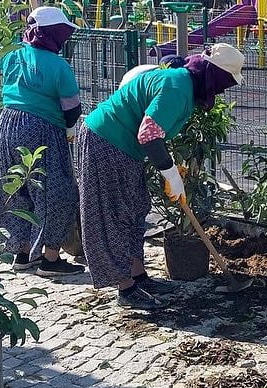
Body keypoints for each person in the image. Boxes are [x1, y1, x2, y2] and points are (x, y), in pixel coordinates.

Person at [75, 43, 245, 310]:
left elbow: (154, 133)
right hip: (105, 142)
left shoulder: (183, 86)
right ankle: (126, 288)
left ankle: (138, 276)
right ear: (214, 76)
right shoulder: (177, 88)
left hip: (124, 147)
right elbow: (148, 135)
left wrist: (170, 168)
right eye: (226, 83)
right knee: (114, 213)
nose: (223, 91)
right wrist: (170, 173)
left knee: (135, 208)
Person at [0, 6, 85, 277]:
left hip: (7, 124)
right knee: (55, 191)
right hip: (42, 129)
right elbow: (72, 110)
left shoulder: (13, 55)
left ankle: (21, 253)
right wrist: (67, 129)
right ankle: (50, 258)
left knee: (16, 186)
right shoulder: (58, 66)